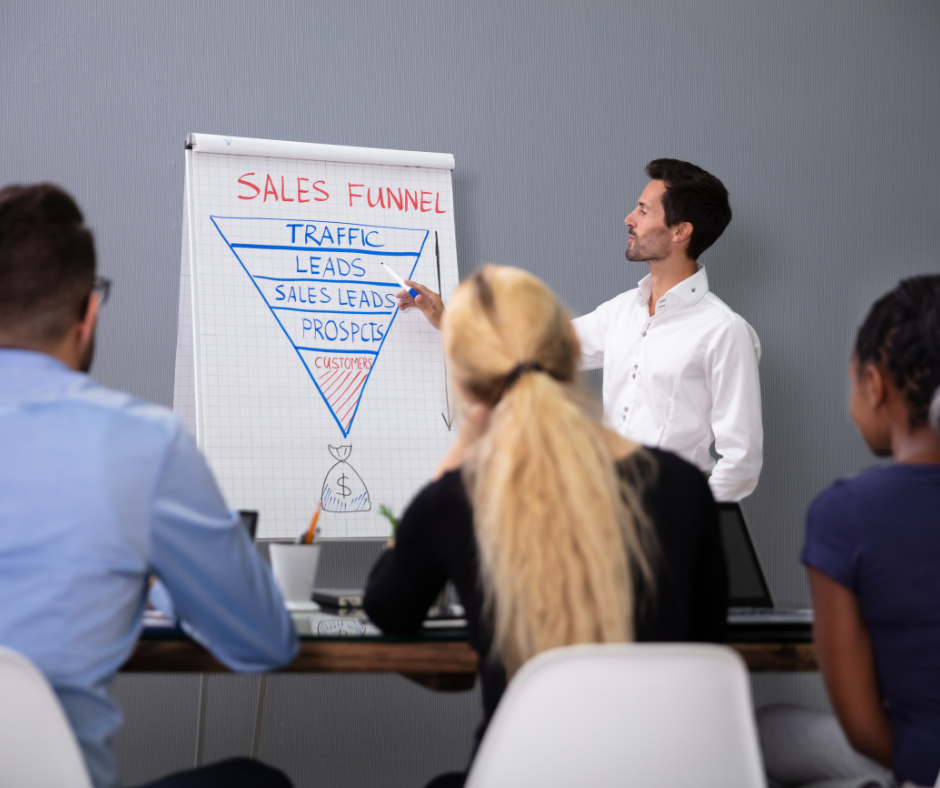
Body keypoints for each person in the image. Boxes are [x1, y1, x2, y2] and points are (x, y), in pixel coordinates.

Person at [364, 265, 728, 787]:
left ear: (466, 381)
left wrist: (453, 461)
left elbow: (387, 608)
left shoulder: (456, 500)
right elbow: (705, 648)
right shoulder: (682, 485)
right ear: (566, 356)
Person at [0, 184, 297, 788]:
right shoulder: (144, 445)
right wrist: (160, 586)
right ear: (88, 313)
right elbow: (266, 641)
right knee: (255, 781)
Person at [397, 159, 762, 502]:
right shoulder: (621, 312)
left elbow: (741, 461)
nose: (628, 218)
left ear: (681, 231)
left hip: (676, 528)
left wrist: (690, 522)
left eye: (644, 210)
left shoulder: (724, 332)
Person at [758, 275, 940, 788]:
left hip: (925, 765)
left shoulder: (848, 513)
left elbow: (863, 728)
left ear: (875, 385)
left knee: (758, 735)